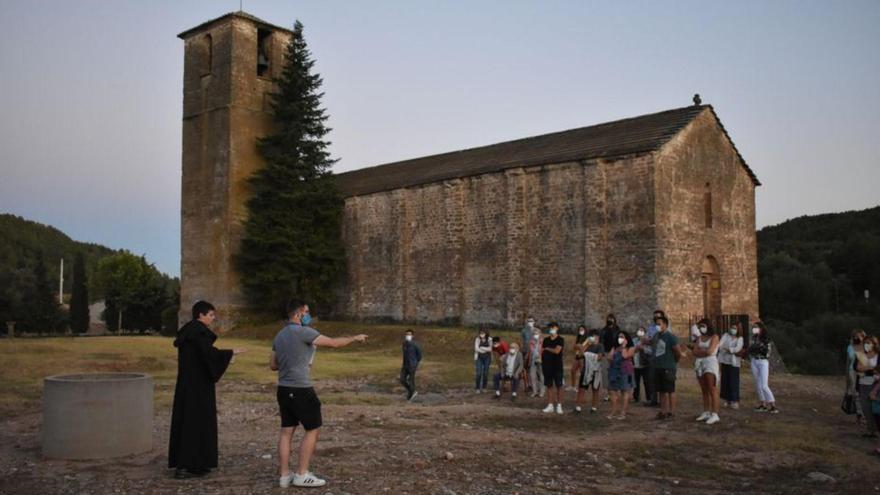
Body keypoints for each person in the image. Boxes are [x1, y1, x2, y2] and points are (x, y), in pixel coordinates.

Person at [270, 299, 368, 488]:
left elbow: (273, 365)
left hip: (283, 389)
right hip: (301, 389)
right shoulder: (304, 332)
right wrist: (355, 338)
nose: (309, 315)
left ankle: (284, 476)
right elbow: (333, 343)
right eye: (306, 312)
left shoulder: (279, 335)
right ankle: (302, 473)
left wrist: (292, 361)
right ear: (298, 314)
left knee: (286, 432)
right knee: (312, 429)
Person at [168, 301, 246, 479]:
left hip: (188, 384)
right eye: (210, 315)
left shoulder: (190, 331)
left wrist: (225, 355)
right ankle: (187, 465)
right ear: (201, 315)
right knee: (195, 423)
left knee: (189, 421)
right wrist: (230, 353)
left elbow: (203, 356)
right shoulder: (199, 332)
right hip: (198, 386)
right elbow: (209, 355)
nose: (213, 318)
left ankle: (196, 463)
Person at [691, 319, 721, 425]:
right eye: (699, 327)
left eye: (703, 326)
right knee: (704, 389)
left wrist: (701, 352)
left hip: (710, 363)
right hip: (700, 363)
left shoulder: (714, 337)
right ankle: (706, 411)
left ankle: (715, 413)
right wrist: (703, 352)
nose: (701, 328)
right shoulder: (699, 338)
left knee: (711, 388)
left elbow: (710, 351)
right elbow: (694, 351)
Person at [652, 315, 682, 420]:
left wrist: (674, 361)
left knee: (670, 390)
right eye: (656, 324)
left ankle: (671, 412)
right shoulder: (656, 336)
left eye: (659, 324)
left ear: (665, 324)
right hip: (658, 366)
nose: (657, 326)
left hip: (668, 367)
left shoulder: (670, 337)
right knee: (661, 391)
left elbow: (678, 352)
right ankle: (663, 411)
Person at [748, 322, 779, 414]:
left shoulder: (766, 339)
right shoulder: (754, 338)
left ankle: (772, 405)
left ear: (761, 328)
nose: (754, 329)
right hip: (754, 360)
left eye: (756, 327)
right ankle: (763, 404)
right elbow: (750, 350)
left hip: (763, 362)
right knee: (758, 384)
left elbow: (767, 353)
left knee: (764, 385)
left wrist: (759, 348)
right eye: (753, 327)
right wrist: (754, 349)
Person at [606, 331, 636, 420]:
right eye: (619, 337)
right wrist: (612, 353)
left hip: (626, 371)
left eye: (622, 337)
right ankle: (613, 411)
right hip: (614, 371)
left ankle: (623, 412)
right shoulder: (615, 348)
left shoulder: (631, 348)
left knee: (625, 391)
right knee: (612, 390)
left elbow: (625, 356)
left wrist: (623, 347)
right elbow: (609, 358)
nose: (620, 338)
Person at [855, 335, 879, 438]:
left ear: (874, 344)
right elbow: (858, 368)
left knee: (874, 408)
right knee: (865, 407)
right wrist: (871, 369)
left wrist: (866, 369)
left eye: (869, 343)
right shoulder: (862, 354)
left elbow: (876, 370)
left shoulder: (878, 355)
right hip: (863, 383)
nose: (867, 345)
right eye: (865, 343)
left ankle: (875, 430)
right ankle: (871, 430)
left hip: (875, 384)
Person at [576, 331, 604, 413]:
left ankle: (594, 407)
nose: (595, 338)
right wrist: (585, 345)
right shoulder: (586, 345)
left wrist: (587, 355)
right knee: (581, 388)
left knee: (595, 388)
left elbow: (599, 357)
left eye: (596, 336)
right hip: (586, 370)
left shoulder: (600, 346)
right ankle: (578, 407)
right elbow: (579, 355)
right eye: (593, 336)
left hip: (595, 370)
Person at [718, 322, 744, 409]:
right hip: (724, 361)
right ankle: (726, 399)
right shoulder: (726, 335)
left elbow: (737, 349)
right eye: (732, 327)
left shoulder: (740, 338)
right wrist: (728, 349)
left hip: (734, 363)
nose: (733, 329)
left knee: (733, 382)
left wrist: (729, 349)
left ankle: (734, 400)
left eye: (735, 328)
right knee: (725, 381)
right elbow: (720, 345)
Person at [541, 322, 565, 414]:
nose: (551, 329)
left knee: (559, 386)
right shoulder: (546, 340)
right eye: (550, 328)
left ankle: (559, 405)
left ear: (557, 328)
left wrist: (547, 349)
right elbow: (542, 351)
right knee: (549, 386)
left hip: (557, 366)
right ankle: (550, 405)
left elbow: (557, 351)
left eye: (553, 327)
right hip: (547, 365)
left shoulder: (560, 340)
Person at [643, 310, 665, 407]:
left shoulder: (665, 328)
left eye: (658, 316)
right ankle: (653, 399)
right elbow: (648, 339)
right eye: (655, 316)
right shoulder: (651, 327)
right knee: (652, 378)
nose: (656, 318)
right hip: (652, 355)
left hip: (661, 356)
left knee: (661, 379)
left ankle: (662, 401)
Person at [847, 330, 867, 423]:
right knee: (856, 393)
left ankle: (865, 414)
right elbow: (849, 360)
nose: (857, 338)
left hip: (863, 371)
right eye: (855, 336)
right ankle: (859, 414)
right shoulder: (850, 347)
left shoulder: (867, 346)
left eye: (859, 336)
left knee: (864, 392)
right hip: (853, 371)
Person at [599, 314, 620, 401]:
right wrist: (603, 353)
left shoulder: (617, 330)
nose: (610, 321)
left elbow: (618, 342)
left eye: (611, 319)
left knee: (615, 372)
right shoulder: (603, 330)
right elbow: (601, 342)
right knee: (605, 373)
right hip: (605, 353)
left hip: (614, 353)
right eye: (609, 319)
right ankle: (608, 393)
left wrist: (614, 351)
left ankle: (615, 391)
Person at [400, 329, 422, 401]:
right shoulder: (404, 344)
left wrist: (415, 363)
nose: (408, 336)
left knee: (411, 380)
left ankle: (411, 395)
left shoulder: (415, 345)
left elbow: (419, 355)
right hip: (405, 365)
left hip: (412, 365)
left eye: (409, 334)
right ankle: (412, 391)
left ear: (412, 336)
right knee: (402, 380)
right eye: (407, 334)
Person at [632, 326, 652, 404]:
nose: (640, 332)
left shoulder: (648, 341)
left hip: (645, 364)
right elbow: (632, 349)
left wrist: (643, 348)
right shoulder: (634, 340)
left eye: (642, 331)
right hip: (636, 364)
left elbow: (651, 351)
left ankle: (649, 398)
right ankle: (636, 397)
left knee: (647, 382)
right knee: (636, 382)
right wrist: (637, 347)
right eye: (639, 330)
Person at [527, 326, 545, 398]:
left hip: (541, 361)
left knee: (541, 376)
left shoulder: (543, 342)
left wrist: (541, 358)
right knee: (532, 376)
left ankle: (542, 391)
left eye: (536, 333)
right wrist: (529, 361)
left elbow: (544, 351)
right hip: (533, 360)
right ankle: (535, 391)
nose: (535, 335)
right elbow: (530, 352)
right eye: (534, 334)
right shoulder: (531, 342)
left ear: (540, 334)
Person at [570, 325, 588, 392]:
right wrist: (579, 346)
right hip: (577, 355)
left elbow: (584, 348)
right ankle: (573, 386)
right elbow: (574, 346)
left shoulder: (587, 338)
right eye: (580, 329)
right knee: (573, 370)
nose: (581, 331)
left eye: (582, 329)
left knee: (582, 372)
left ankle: (583, 387)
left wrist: (579, 346)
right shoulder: (578, 337)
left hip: (583, 356)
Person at [474, 328, 492, 394]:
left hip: (487, 358)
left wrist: (482, 348)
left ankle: (484, 387)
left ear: (486, 333)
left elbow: (490, 349)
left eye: (483, 333)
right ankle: (477, 388)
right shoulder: (477, 339)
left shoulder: (490, 339)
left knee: (485, 373)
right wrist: (484, 350)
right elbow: (476, 349)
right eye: (480, 333)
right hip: (479, 358)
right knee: (478, 373)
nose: (481, 334)